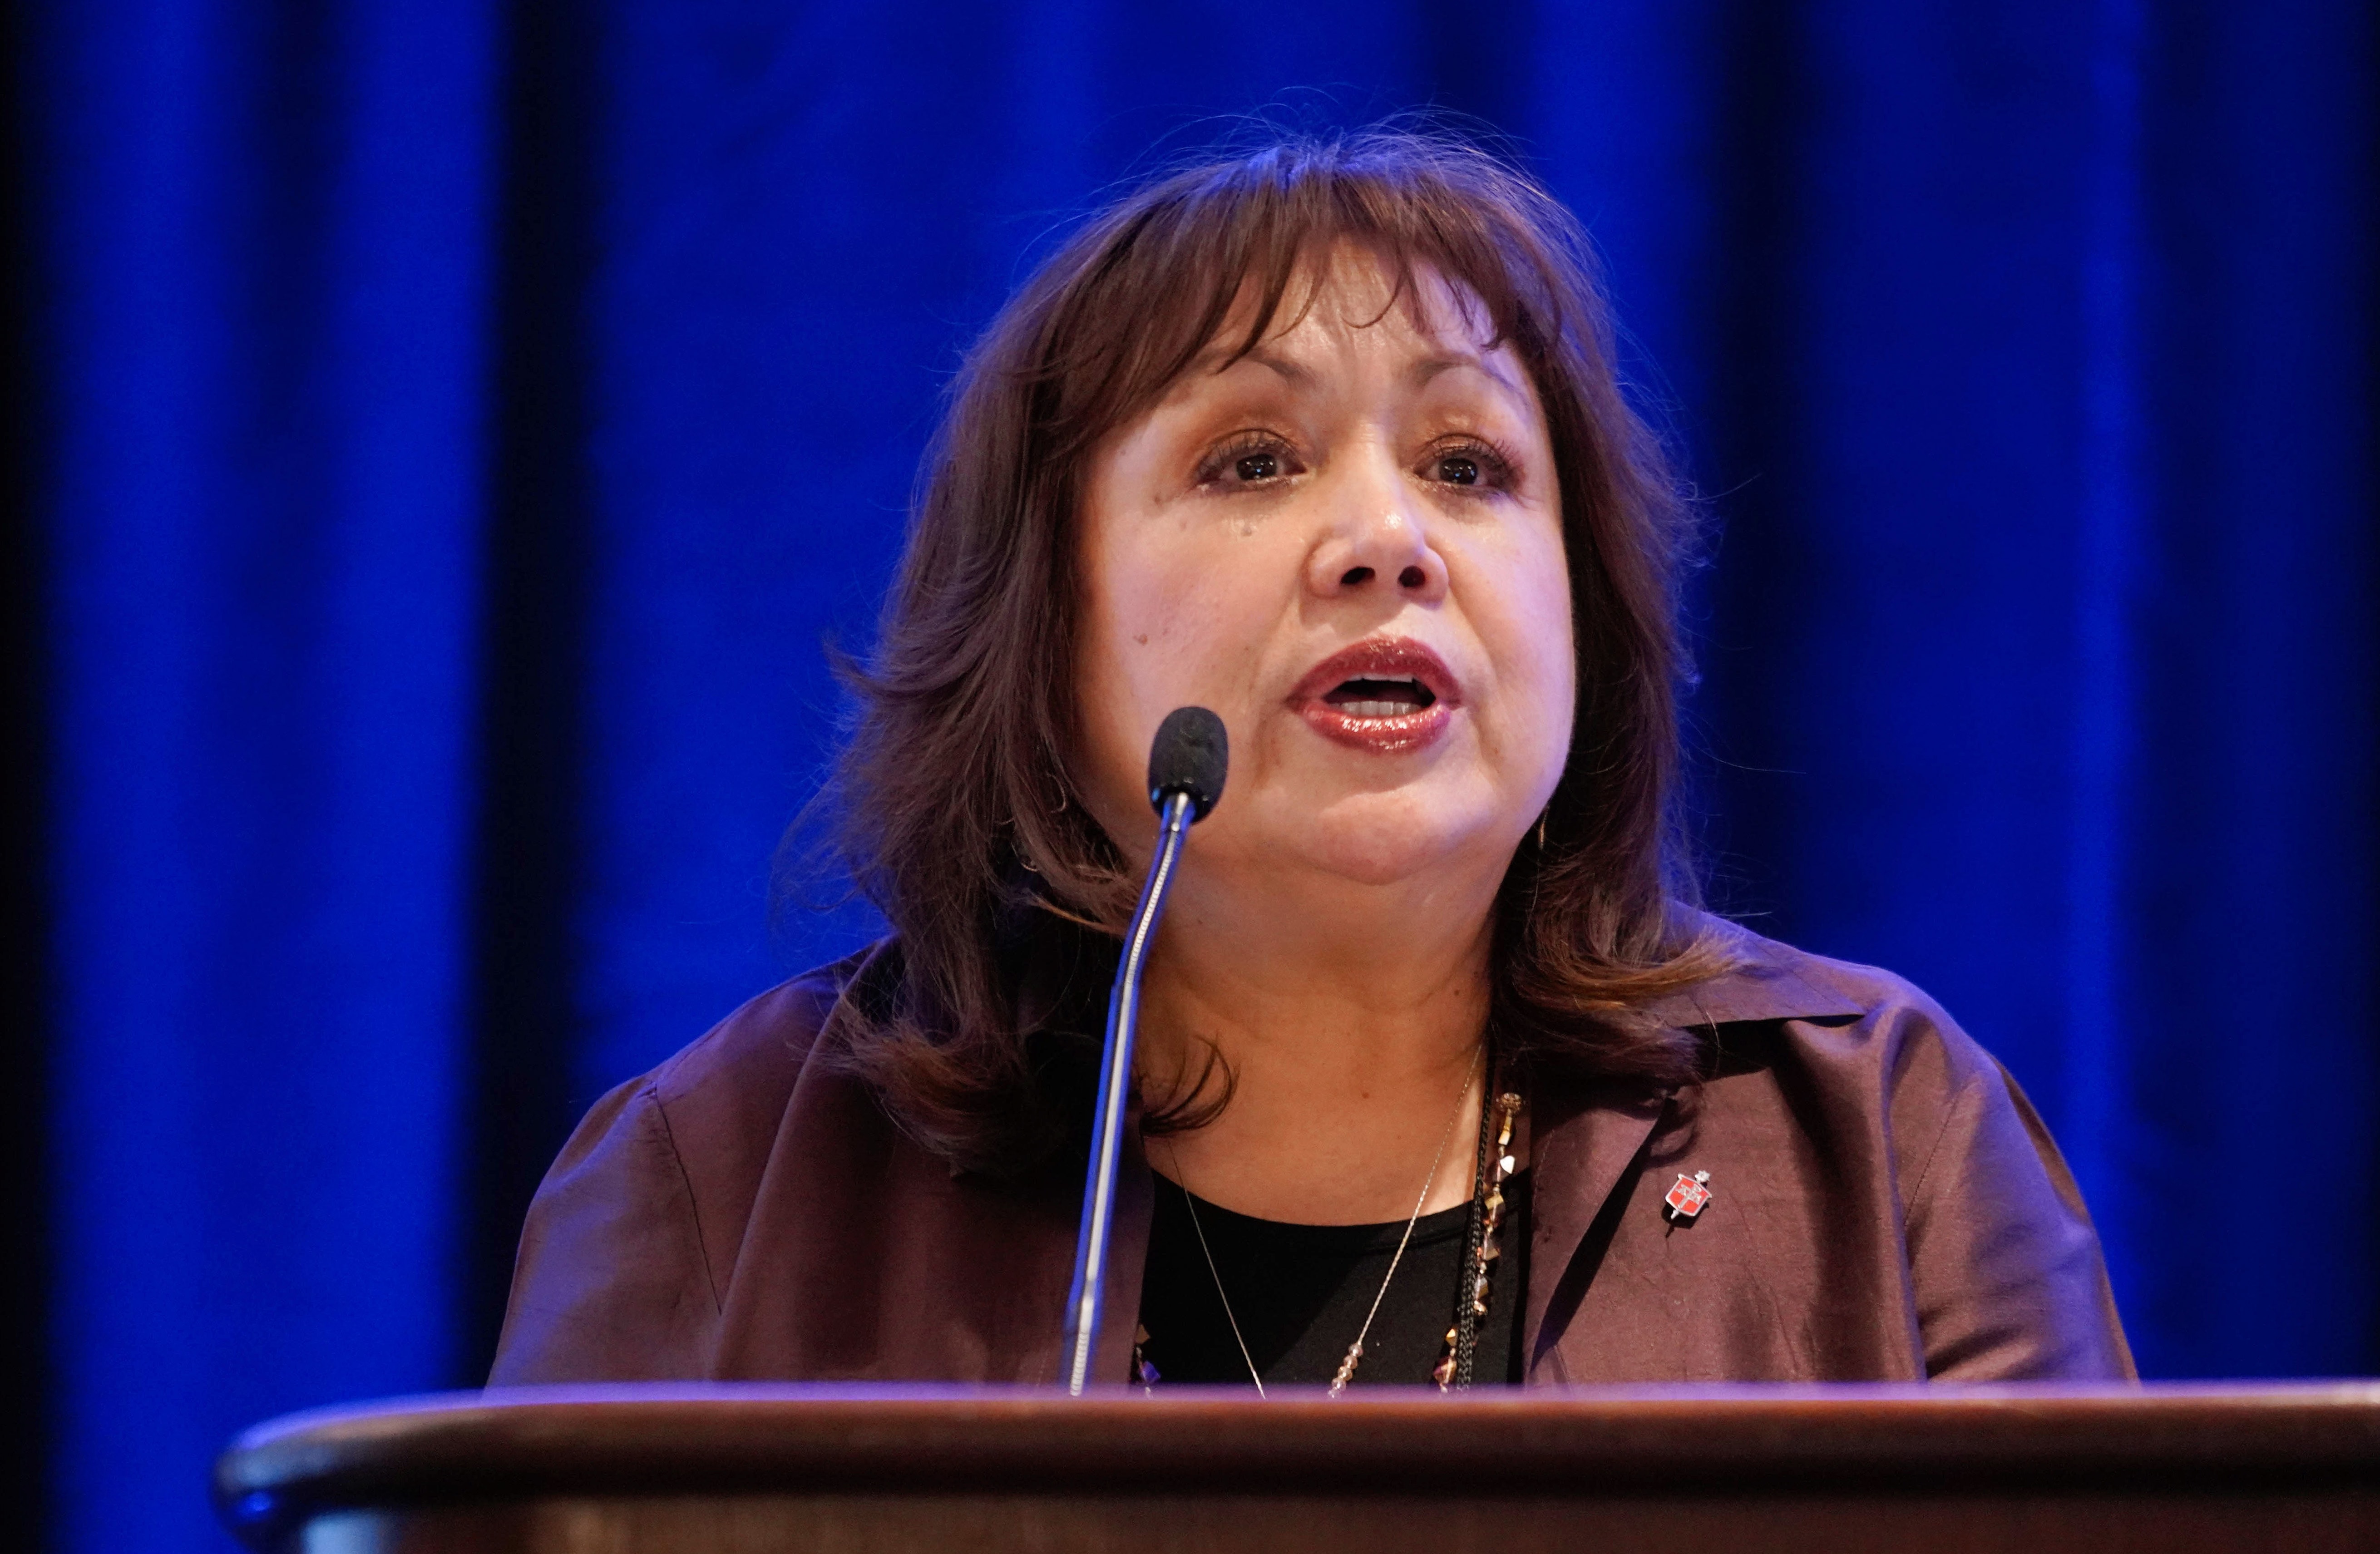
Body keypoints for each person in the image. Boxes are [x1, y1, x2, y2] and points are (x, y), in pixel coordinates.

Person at [489, 130, 2132, 1390]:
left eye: (1470, 463)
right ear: (1037, 635)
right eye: (1253, 457)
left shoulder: (1872, 1135)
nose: (1385, 540)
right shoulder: (730, 1176)